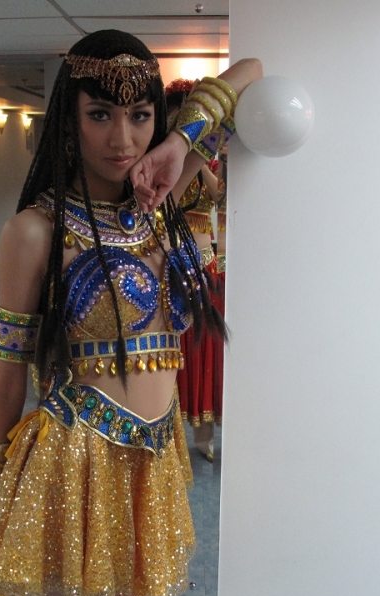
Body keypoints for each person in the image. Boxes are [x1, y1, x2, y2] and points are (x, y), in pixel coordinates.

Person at [0, 29, 262, 596]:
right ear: (69, 120)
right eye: (100, 114)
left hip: (152, 469)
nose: (123, 139)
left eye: (140, 115)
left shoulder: (164, 201)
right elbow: (7, 378)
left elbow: (250, 72)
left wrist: (179, 144)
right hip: (65, 470)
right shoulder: (34, 231)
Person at [165, 79, 230, 462]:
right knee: (175, 356)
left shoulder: (209, 163)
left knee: (205, 351)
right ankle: (169, 434)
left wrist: (201, 156)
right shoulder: (161, 164)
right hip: (169, 266)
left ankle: (204, 435)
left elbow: (221, 197)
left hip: (206, 266)